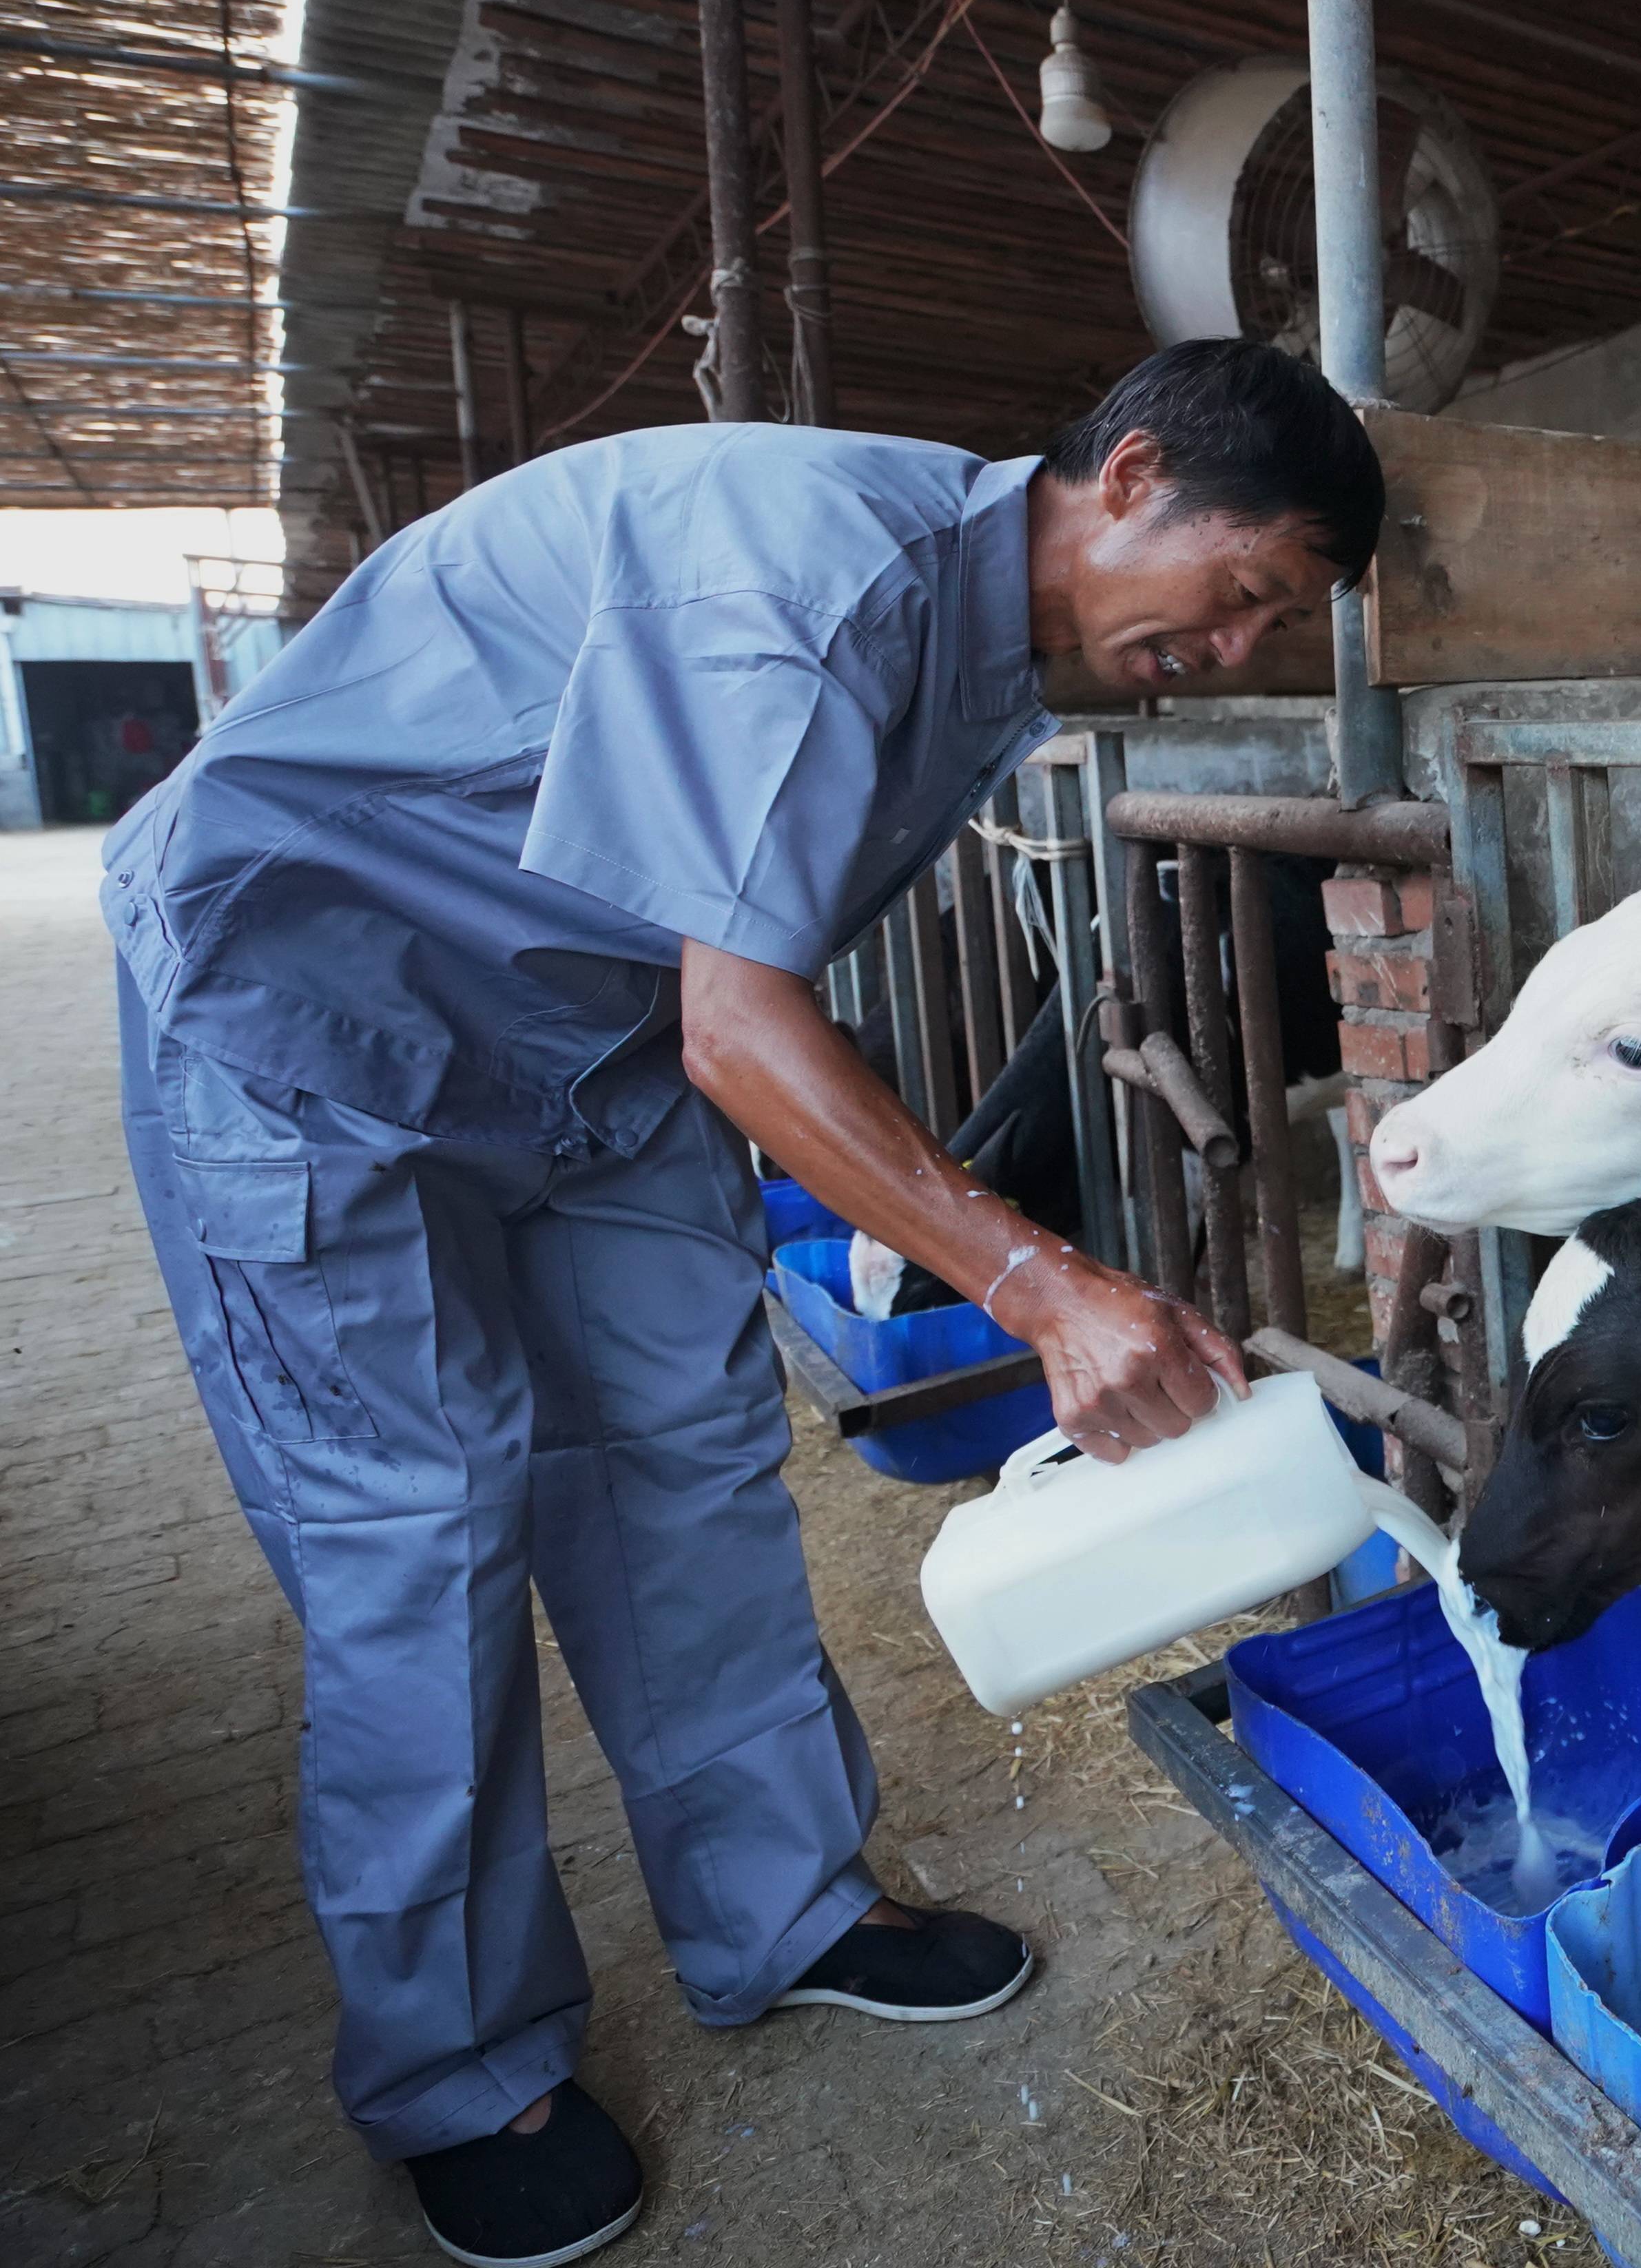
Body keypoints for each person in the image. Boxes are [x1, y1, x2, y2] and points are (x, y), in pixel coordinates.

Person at [101, 339, 1381, 2268]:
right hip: (311, 1017)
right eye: (1246, 594)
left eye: (1278, 626)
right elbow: (742, 1016)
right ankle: (466, 2071)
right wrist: (1035, 1281)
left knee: (690, 1468)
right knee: (423, 1532)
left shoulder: (982, 652)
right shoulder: (801, 579)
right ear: (1130, 479)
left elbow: (715, 969)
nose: (1240, 649)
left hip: (575, 1045)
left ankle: (785, 1912)